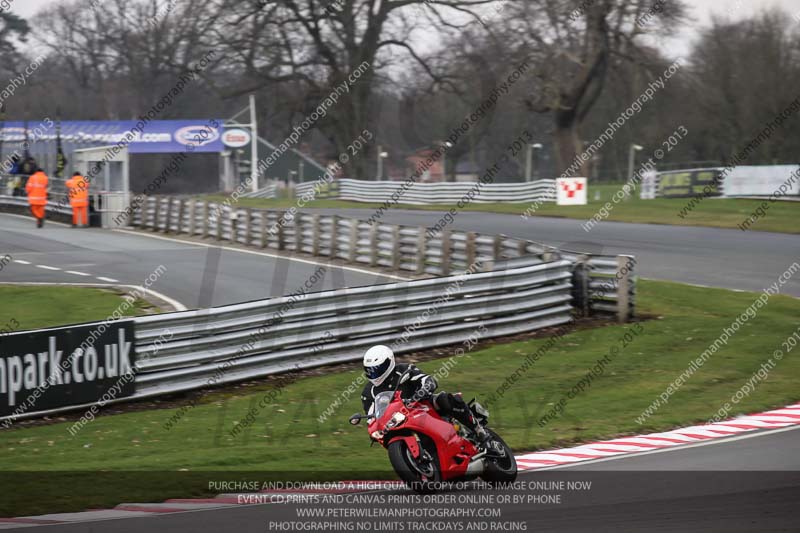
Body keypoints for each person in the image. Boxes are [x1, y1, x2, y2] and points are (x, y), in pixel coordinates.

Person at [360, 345, 489, 445]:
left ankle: (478, 430)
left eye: (379, 369)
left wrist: (425, 387)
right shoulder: (368, 393)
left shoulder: (404, 370)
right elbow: (372, 416)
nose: (375, 374)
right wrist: (373, 430)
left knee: (444, 399)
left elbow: (425, 379)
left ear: (390, 362)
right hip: (398, 420)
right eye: (370, 371)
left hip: (422, 405)